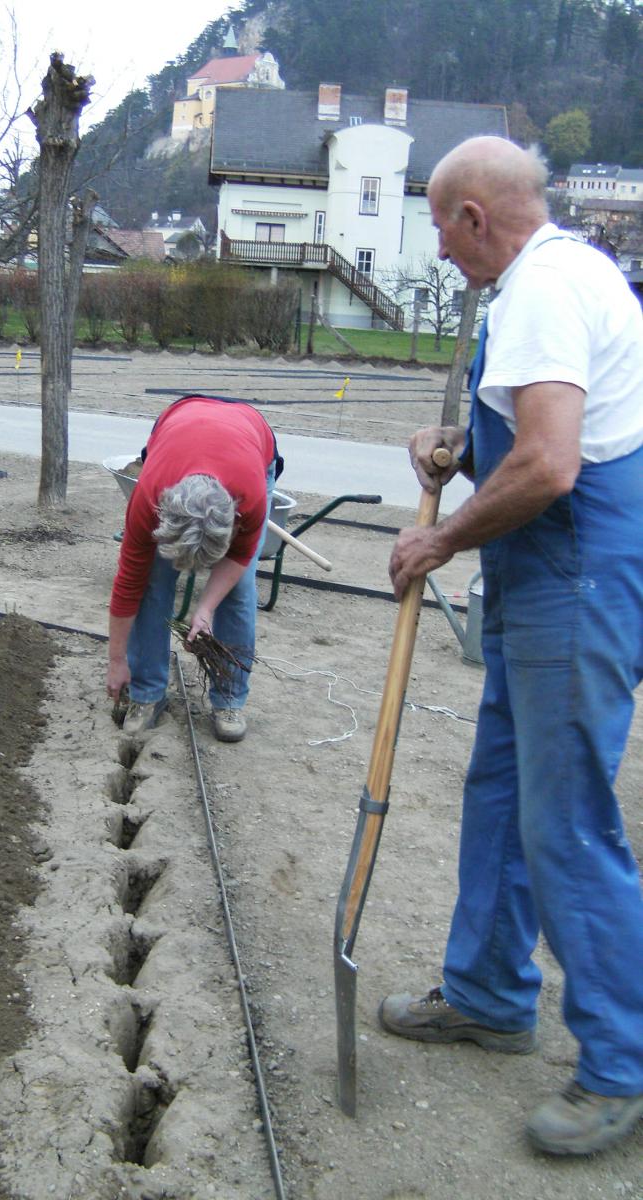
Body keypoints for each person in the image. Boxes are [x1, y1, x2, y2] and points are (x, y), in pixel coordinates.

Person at [381, 136, 643, 1156]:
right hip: (546, 575)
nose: (442, 251)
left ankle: (621, 1062)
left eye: (443, 228)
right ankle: (491, 991)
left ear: (475, 218)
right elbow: (524, 440)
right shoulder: (574, 273)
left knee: (567, 822)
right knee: (502, 791)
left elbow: (548, 463)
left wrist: (439, 538)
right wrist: (457, 453)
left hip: (571, 575)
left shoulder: (537, 290)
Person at [106, 394, 282, 742]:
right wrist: (116, 661)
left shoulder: (250, 496)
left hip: (251, 440)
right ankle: (147, 693)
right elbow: (128, 585)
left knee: (240, 589)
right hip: (178, 426)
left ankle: (229, 699)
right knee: (153, 581)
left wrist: (205, 609)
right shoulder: (149, 497)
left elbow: (241, 557)